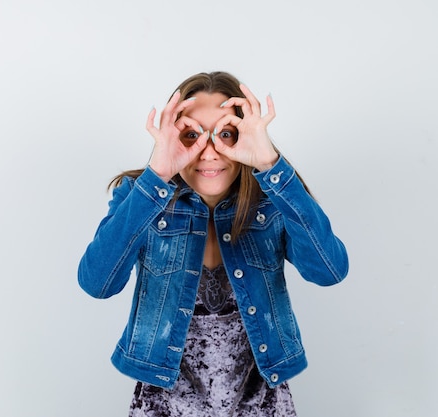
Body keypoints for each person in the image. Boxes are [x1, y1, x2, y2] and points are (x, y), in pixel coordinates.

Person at [78, 71, 349, 416]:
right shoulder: (140, 196)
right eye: (191, 135)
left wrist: (270, 165)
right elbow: (97, 283)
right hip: (165, 402)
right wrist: (157, 177)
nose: (209, 152)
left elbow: (329, 270)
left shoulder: (273, 199)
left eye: (226, 134)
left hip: (260, 401)